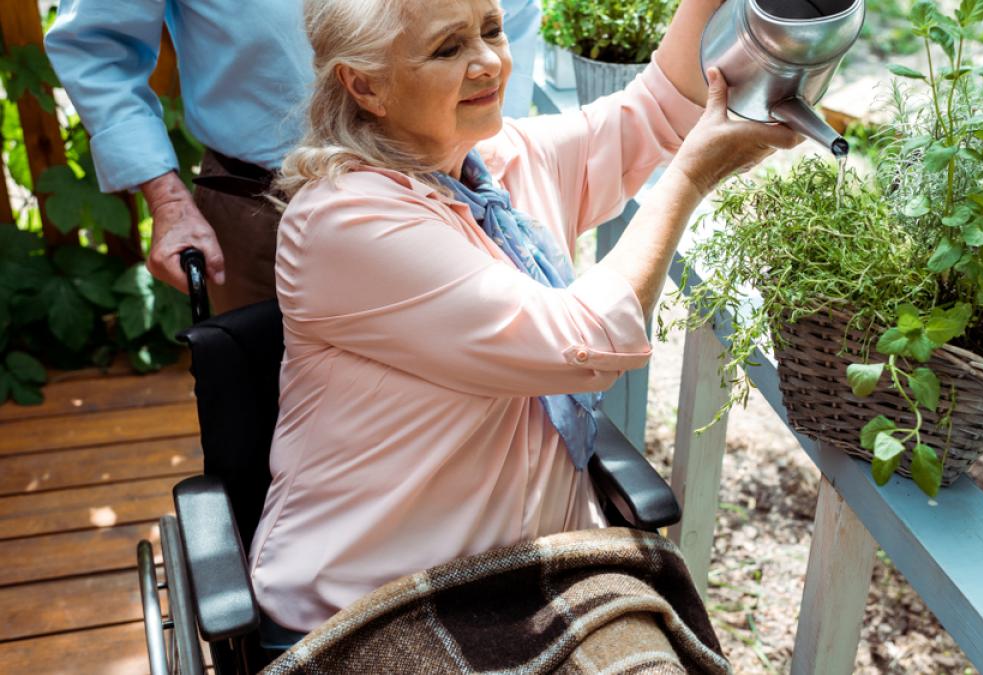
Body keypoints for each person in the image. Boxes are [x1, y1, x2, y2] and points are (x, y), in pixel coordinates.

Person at [248, 0, 802, 635]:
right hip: (373, 603)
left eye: (491, 30)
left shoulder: (495, 163)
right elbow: (585, 345)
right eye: (448, 48)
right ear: (365, 85)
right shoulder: (343, 223)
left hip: (522, 577)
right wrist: (691, 179)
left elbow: (660, 109)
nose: (487, 61)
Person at [43, 0, 542, 314]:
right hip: (261, 214)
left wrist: (485, 156)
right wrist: (167, 201)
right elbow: (94, 46)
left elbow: (515, 16)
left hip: (449, 199)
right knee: (273, 426)